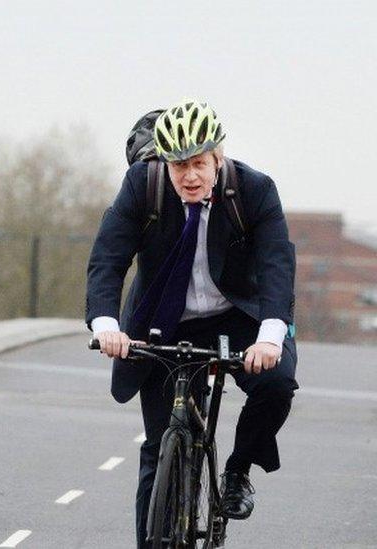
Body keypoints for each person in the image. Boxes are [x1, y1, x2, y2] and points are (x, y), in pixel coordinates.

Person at [85, 99, 298, 548]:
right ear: (163, 162)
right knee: (156, 446)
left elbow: (277, 266)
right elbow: (108, 259)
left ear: (217, 157)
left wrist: (270, 338)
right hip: (163, 319)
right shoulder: (142, 187)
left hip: (236, 315)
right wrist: (106, 324)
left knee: (276, 385)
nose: (190, 176)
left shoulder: (256, 191)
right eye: (178, 165)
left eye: (199, 163)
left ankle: (238, 470)